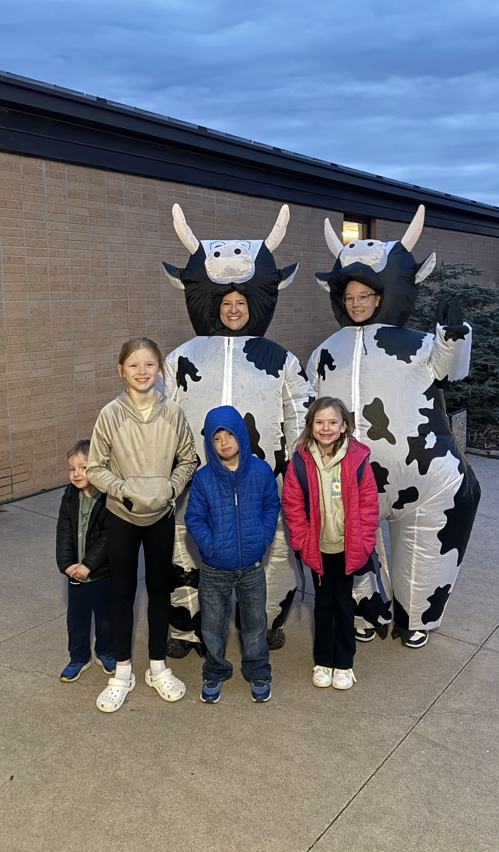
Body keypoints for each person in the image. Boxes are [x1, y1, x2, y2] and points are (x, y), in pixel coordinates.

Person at [308, 207, 481, 649]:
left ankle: (416, 617)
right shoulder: (327, 350)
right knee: (347, 552)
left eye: (366, 295)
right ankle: (366, 614)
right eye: (350, 297)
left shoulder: (422, 344)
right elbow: (305, 406)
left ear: (382, 296)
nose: (358, 303)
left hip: (421, 476)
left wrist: (455, 336)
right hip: (348, 477)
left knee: (425, 548)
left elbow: (451, 369)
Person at [162, 204, 313, 657]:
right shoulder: (183, 356)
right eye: (226, 303)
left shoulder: (280, 358)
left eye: (240, 303)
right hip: (198, 478)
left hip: (262, 477)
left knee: (271, 550)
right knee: (186, 548)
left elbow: (297, 414)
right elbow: (165, 413)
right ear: (214, 305)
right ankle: (187, 627)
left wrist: (295, 470)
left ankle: (263, 623)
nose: (233, 310)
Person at [87, 338, 198, 713]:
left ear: (159, 369)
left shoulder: (174, 414)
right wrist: (123, 491)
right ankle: (122, 672)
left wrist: (171, 488)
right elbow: (95, 468)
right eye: (134, 365)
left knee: (159, 591)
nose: (142, 372)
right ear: (121, 370)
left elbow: (188, 459)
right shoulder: (110, 414)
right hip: (122, 516)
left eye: (149, 364)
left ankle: (156, 667)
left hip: (161, 518)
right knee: (121, 593)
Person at [184, 405, 280, 704]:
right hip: (214, 569)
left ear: (241, 434)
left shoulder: (261, 470)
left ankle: (258, 671)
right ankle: (215, 670)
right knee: (212, 625)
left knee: (254, 623)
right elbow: (194, 518)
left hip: (252, 567)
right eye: (216, 438)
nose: (224, 442)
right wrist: (210, 547)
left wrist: (263, 537)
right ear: (210, 444)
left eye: (229, 434)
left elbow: (271, 506)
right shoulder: (203, 479)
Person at [282, 397, 379, 690]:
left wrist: (363, 543)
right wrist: (300, 541)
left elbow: (369, 505)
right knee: (323, 604)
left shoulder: (357, 459)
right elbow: (292, 505)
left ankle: (345, 663)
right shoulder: (300, 460)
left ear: (344, 426)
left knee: (344, 603)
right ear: (311, 425)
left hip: (347, 547)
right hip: (318, 548)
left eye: (333, 422)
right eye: (320, 422)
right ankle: (323, 660)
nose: (326, 428)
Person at [55, 439, 115, 682]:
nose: (76, 473)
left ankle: (106, 651)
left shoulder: (108, 498)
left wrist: (88, 565)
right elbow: (64, 533)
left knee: (106, 616)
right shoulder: (69, 497)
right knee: (76, 618)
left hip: (102, 572)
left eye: (83, 467)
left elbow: (107, 538)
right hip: (75, 573)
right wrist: (67, 565)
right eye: (72, 468)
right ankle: (79, 657)